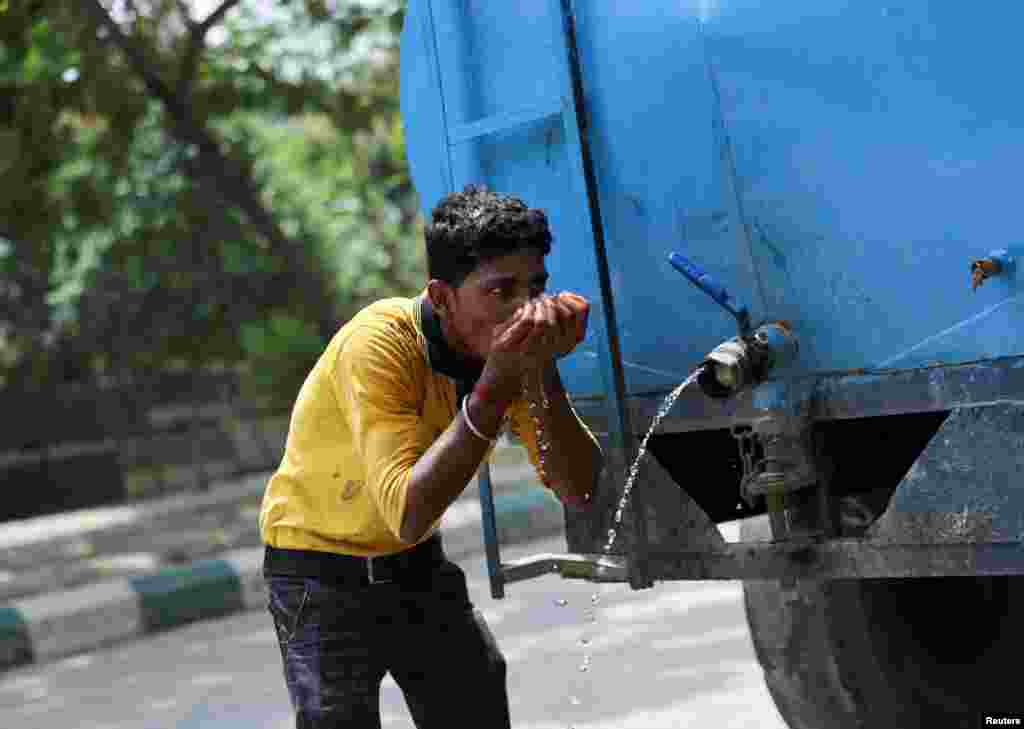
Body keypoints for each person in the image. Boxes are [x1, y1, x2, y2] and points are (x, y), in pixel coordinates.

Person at [259, 184, 604, 728]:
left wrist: (540, 370)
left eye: (536, 286)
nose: (527, 307)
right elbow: (407, 511)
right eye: (501, 290)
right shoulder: (380, 343)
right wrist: (495, 387)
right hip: (318, 577)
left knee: (476, 700)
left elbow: (579, 488)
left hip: (417, 566)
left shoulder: (508, 356)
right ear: (442, 298)